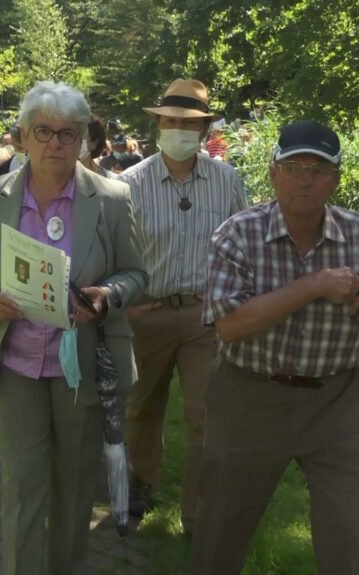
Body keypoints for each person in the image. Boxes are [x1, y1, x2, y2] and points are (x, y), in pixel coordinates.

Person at [188, 120, 359, 575]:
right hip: (248, 399)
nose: (304, 179)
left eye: (317, 170)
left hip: (334, 401)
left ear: (335, 179)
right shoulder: (237, 235)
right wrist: (315, 284)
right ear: (274, 172)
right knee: (221, 534)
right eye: (294, 167)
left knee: (346, 540)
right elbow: (231, 326)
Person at [0, 80, 147, 575]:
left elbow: (136, 275)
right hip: (15, 364)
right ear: (22, 136)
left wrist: (108, 297)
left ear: (84, 138)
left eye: (68, 134)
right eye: (43, 132)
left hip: (79, 366)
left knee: (74, 488)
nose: (55, 145)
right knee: (22, 487)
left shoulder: (109, 198)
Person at [117, 78, 248, 536]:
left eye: (188, 123)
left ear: (204, 128)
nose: (178, 129)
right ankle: (140, 482)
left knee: (205, 413)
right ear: (157, 125)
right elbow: (115, 251)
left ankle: (197, 513)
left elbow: (242, 246)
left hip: (203, 316)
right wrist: (126, 306)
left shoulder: (227, 181)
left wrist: (230, 304)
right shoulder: (129, 183)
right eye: (170, 121)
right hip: (146, 313)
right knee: (141, 407)